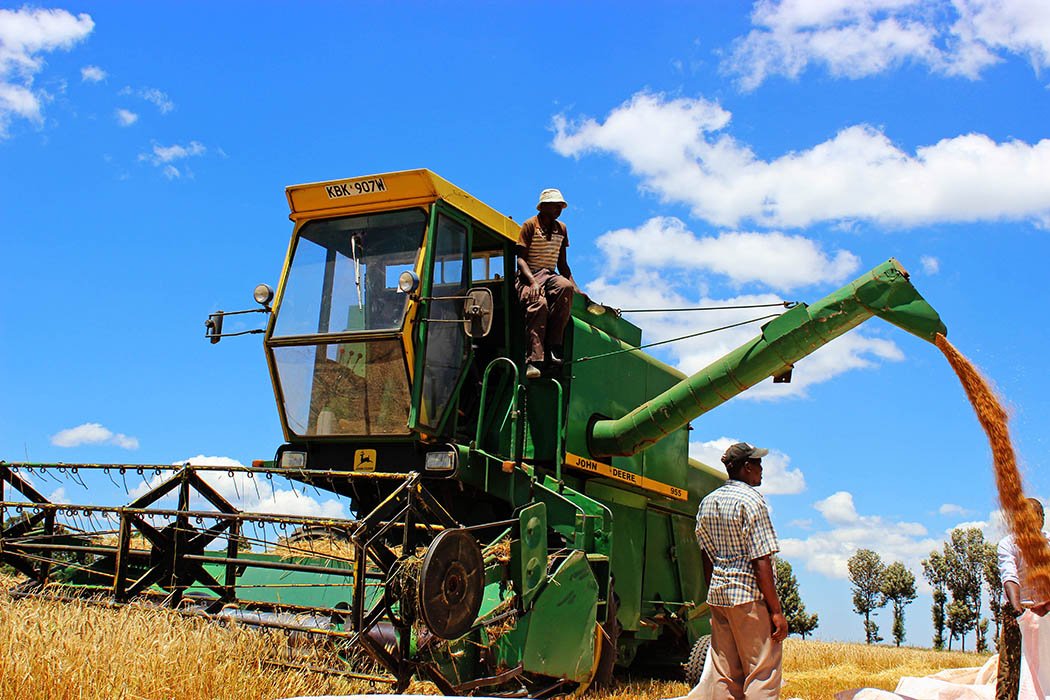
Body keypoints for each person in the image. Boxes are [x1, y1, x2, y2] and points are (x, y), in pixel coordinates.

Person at [694, 442, 787, 699]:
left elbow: (706, 554)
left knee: (725, 674)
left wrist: (712, 592)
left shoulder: (708, 502)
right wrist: (776, 611)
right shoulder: (752, 501)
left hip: (720, 597)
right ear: (747, 468)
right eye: (758, 464)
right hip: (748, 597)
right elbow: (761, 559)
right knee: (762, 671)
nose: (762, 469)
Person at [515, 188, 580, 379]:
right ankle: (534, 361)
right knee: (539, 304)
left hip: (549, 275)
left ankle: (554, 348)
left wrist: (575, 287)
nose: (559, 210)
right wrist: (533, 283)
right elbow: (520, 259)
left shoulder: (562, 229)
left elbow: (562, 265)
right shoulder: (529, 225)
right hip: (529, 276)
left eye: (560, 206)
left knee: (565, 288)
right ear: (543, 207)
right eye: (555, 206)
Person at [996, 497, 1050, 700]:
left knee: (1046, 667)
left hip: (1048, 614)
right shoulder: (1008, 544)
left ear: (1042, 519)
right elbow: (1009, 576)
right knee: (1010, 670)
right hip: (1018, 612)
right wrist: (1017, 607)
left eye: (1035, 517)